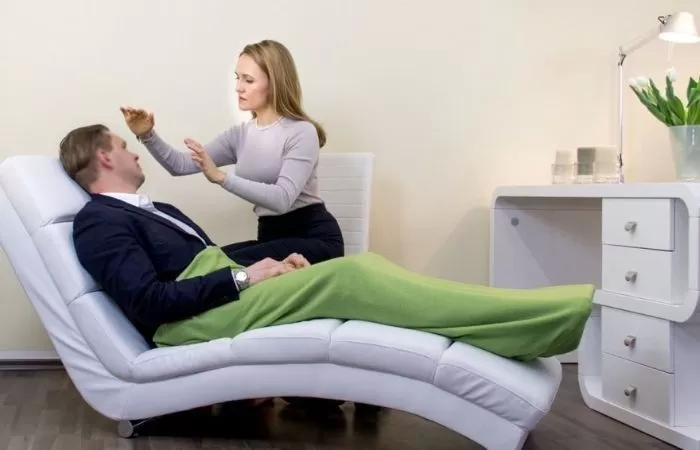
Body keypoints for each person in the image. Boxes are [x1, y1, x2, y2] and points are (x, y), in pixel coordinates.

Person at [60, 124, 594, 367]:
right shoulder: (98, 221)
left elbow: (209, 257)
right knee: (349, 277)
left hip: (219, 297)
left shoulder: (152, 208)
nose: (135, 155)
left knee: (362, 268)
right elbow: (148, 303)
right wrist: (246, 276)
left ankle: (516, 326)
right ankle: (533, 320)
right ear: (104, 158)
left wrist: (269, 263)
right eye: (125, 147)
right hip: (190, 323)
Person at [119, 39, 343, 268]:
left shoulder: (301, 132)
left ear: (274, 83)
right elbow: (180, 165)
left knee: (214, 268)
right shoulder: (241, 135)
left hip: (313, 239)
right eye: (238, 78)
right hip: (270, 237)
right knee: (201, 260)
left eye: (249, 80)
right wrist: (147, 135)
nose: (239, 87)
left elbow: (282, 200)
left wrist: (221, 178)